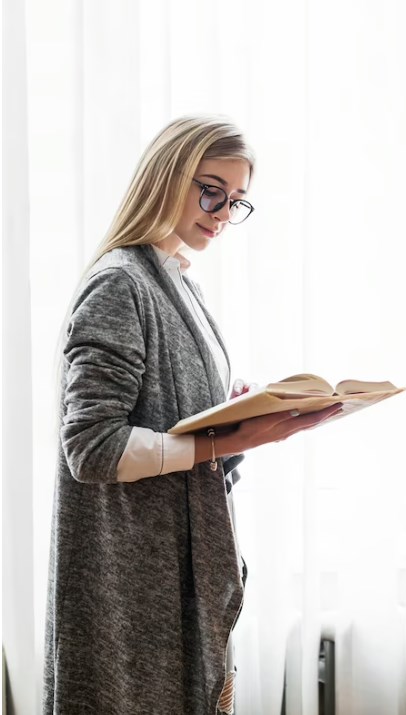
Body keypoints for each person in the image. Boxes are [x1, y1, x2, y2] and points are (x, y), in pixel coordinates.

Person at [43, 115, 339, 714]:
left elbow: (169, 421)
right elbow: (93, 449)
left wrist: (231, 417)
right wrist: (242, 437)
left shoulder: (180, 284)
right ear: (166, 176)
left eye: (236, 201)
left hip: (167, 569)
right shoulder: (119, 285)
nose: (223, 212)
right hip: (129, 580)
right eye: (210, 190)